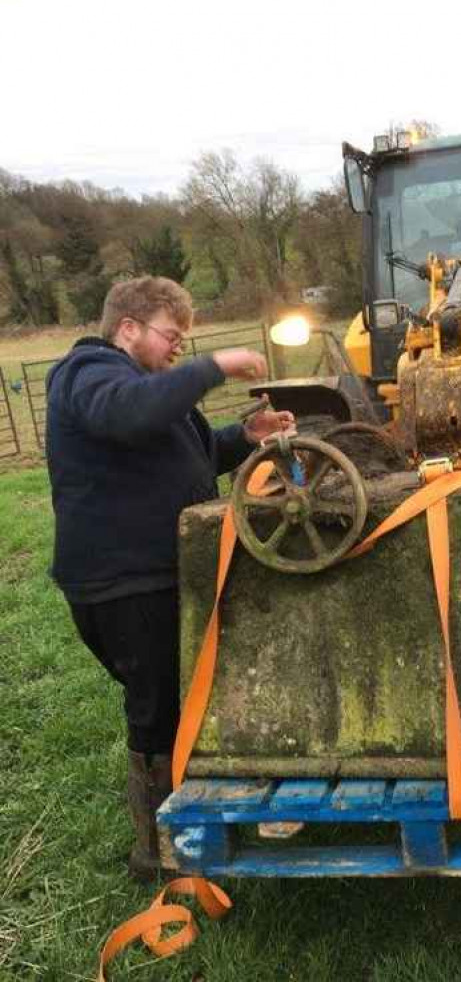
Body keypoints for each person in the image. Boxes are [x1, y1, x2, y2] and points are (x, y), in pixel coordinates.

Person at [45, 276, 295, 880]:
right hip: (123, 582)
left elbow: (195, 458)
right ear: (127, 328)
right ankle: (157, 851)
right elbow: (129, 417)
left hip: (158, 572)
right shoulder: (88, 375)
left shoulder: (144, 389)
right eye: (171, 337)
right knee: (155, 708)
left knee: (180, 699)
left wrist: (245, 438)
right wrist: (213, 365)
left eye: (186, 341)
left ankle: (192, 819)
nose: (178, 349)